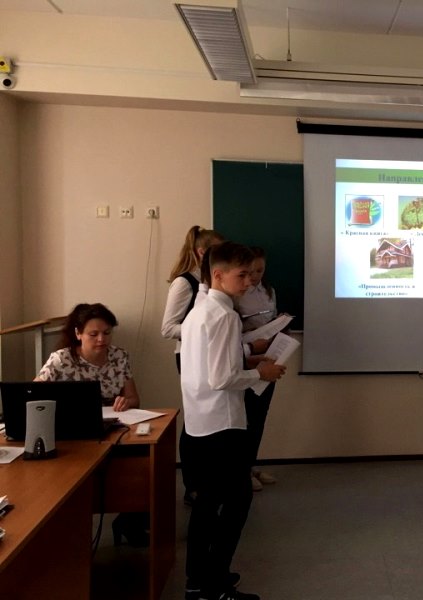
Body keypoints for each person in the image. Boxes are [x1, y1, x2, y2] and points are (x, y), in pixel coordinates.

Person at [180, 241, 286, 600]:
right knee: (236, 504)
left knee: (208, 505)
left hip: (200, 421)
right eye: (241, 275)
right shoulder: (225, 316)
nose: (248, 282)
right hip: (223, 423)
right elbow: (221, 378)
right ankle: (214, 584)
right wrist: (261, 373)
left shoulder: (200, 310)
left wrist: (248, 360)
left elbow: (211, 364)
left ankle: (198, 581)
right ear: (218, 275)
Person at [35, 302, 147, 546]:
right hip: (71, 432)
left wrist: (125, 402)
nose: (101, 339)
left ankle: (130, 521)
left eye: (106, 333)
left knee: (142, 462)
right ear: (78, 334)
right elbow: (33, 396)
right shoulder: (62, 359)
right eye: (93, 334)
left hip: (111, 427)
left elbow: (134, 398)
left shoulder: (119, 356)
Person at [162, 225, 224, 506]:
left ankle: (211, 480)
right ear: (202, 252)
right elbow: (167, 328)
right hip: (190, 356)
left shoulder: (210, 281)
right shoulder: (184, 282)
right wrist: (200, 330)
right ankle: (192, 484)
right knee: (195, 419)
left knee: (209, 420)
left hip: (211, 355)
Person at [236, 247, 279, 491]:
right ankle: (240, 471)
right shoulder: (237, 294)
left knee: (259, 416)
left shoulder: (269, 290)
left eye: (260, 271)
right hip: (246, 358)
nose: (254, 277)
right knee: (246, 417)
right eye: (250, 271)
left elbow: (272, 320)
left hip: (268, 358)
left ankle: (250, 465)